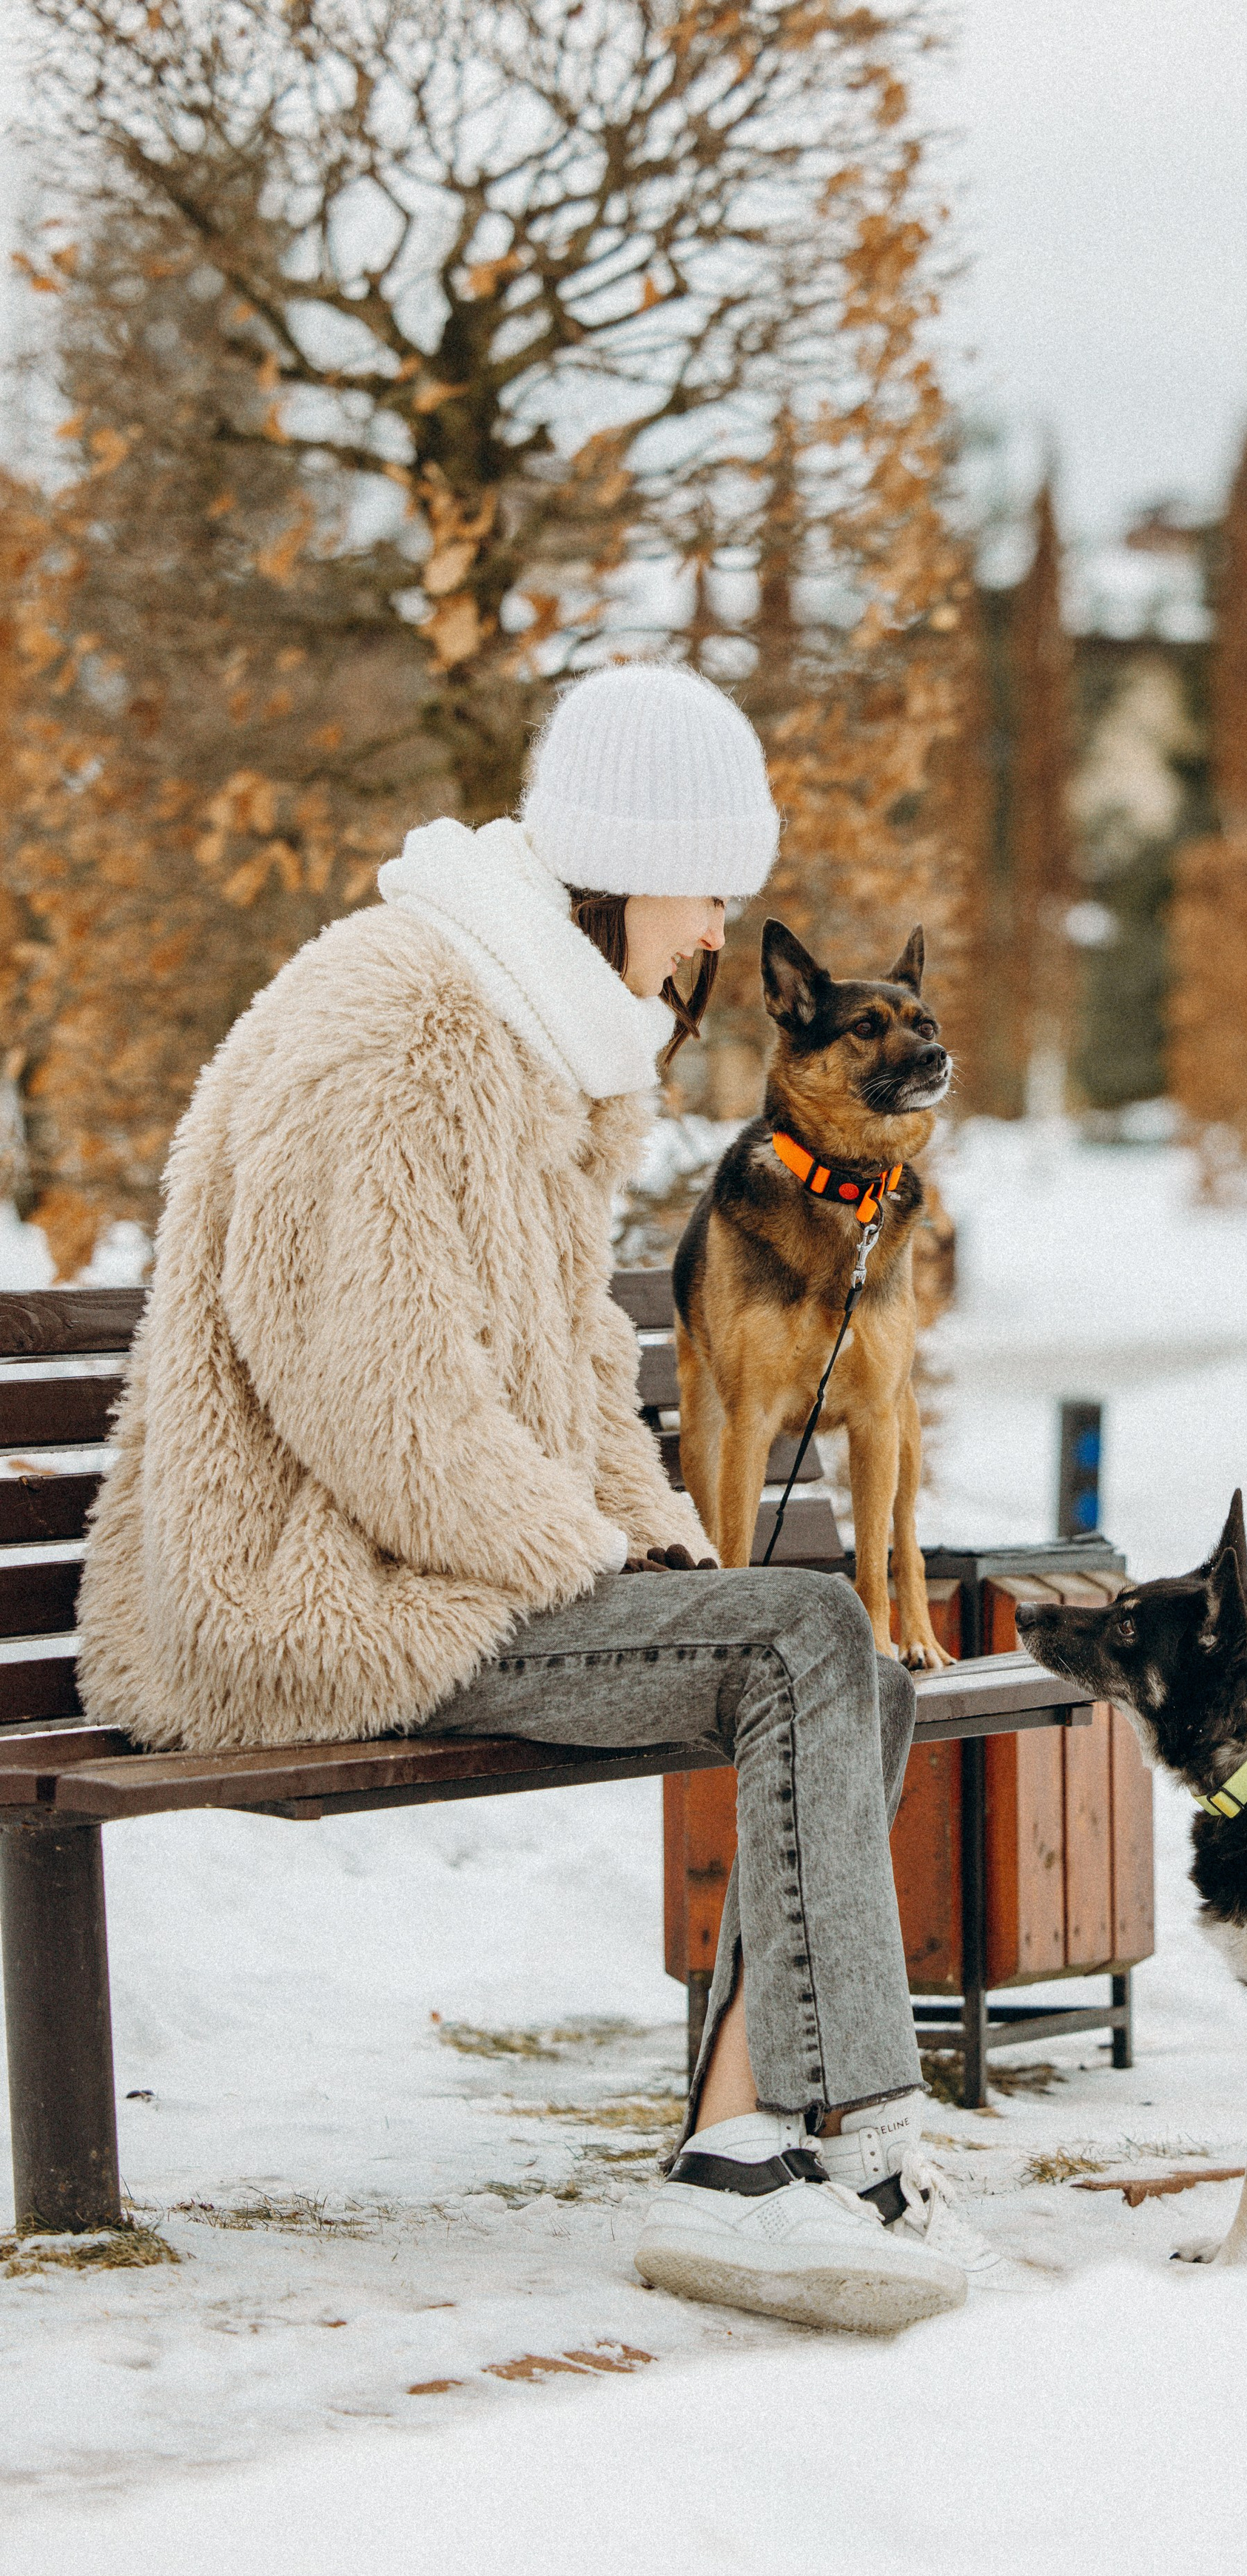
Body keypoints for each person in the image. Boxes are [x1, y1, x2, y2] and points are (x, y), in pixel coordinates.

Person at [78, 662, 998, 2335]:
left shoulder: (532, 1042)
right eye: (702, 888)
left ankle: (745, 2143)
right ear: (622, 866)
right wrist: (586, 1555)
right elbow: (379, 1401)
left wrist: (652, 1535)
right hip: (320, 1595)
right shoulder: (404, 1032)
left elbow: (573, 1360)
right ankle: (851, 2144)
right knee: (805, 1632)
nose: (713, 931)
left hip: (443, 1558)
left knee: (845, 1657)